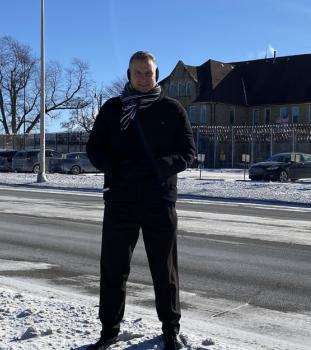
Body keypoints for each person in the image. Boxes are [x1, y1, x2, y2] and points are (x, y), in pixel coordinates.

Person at [86, 51, 196, 350]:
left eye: (148, 72)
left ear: (156, 73)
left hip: (159, 201)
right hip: (120, 200)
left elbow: (188, 152)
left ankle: (170, 329)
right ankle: (109, 329)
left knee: (165, 269)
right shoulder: (113, 109)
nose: (144, 78)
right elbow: (94, 150)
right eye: (138, 73)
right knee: (113, 268)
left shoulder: (172, 110)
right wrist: (117, 168)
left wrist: (158, 166)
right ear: (129, 75)